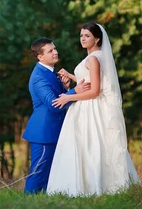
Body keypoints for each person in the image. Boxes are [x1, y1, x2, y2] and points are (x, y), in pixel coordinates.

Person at [46, 22, 140, 197]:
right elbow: (88, 80)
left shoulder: (94, 59)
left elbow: (95, 91)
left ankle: (91, 186)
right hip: (85, 104)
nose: (83, 38)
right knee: (89, 145)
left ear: (97, 38)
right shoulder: (95, 57)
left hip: (89, 107)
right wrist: (71, 76)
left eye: (87, 35)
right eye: (81, 35)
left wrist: (69, 97)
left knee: (90, 145)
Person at [22, 37, 91, 194]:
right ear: (40, 57)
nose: (55, 52)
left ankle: (43, 203)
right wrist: (75, 91)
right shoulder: (39, 76)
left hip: (53, 130)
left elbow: (58, 98)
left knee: (50, 174)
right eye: (50, 50)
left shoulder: (48, 72)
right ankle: (27, 202)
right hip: (44, 133)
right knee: (38, 173)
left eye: (55, 48)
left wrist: (65, 88)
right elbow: (53, 105)